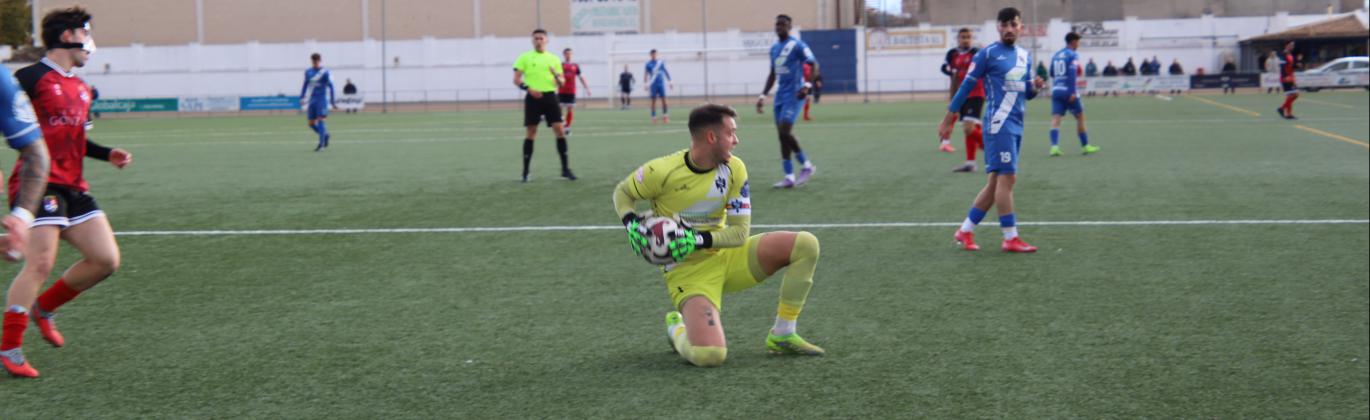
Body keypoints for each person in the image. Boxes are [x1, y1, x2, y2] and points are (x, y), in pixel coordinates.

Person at [613, 104, 826, 367]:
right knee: (710, 355)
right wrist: (631, 223)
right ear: (712, 137)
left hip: (730, 256)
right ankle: (677, 329)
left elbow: (739, 233)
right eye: (731, 133)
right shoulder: (661, 171)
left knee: (806, 245)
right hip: (689, 272)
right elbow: (623, 193)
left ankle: (783, 333)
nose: (736, 140)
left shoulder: (735, 169)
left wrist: (697, 238)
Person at [3, 6, 133, 379]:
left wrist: (107, 153)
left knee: (106, 260)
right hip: (37, 183)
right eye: (86, 33)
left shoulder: (82, 87)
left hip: (75, 185)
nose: (90, 42)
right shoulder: (28, 77)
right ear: (66, 36)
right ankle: (10, 348)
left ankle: (44, 308)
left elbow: (77, 137)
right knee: (40, 262)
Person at [937, 7, 1043, 254]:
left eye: (1013, 25)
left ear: (1020, 27)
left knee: (996, 180)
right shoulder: (987, 55)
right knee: (1008, 178)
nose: (1008, 29)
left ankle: (964, 231)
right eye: (1004, 25)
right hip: (998, 124)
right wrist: (948, 118)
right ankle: (1010, 237)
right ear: (998, 27)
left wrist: (1035, 87)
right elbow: (965, 87)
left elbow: (1025, 92)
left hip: (1017, 123)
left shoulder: (1024, 56)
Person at [757, 14, 819, 188]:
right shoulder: (774, 48)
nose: (779, 27)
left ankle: (806, 166)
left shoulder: (797, 45)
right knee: (781, 136)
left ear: (789, 27)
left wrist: (807, 85)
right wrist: (762, 96)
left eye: (783, 24)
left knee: (785, 131)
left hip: (795, 94)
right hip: (779, 97)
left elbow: (813, 64)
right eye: (777, 24)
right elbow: (772, 74)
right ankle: (789, 176)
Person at [513, 29, 575, 182]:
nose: (538, 41)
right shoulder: (524, 57)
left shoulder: (553, 59)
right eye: (536, 38)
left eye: (541, 38)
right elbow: (516, 79)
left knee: (560, 130)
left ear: (546, 40)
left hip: (550, 97)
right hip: (532, 98)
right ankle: (525, 172)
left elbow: (562, 82)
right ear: (532, 40)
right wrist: (529, 89)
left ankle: (565, 170)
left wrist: (556, 75)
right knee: (531, 131)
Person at [939, 27, 986, 172]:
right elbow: (951, 75)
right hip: (961, 95)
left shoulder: (977, 53)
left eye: (968, 37)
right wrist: (953, 97)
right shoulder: (952, 54)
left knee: (968, 127)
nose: (966, 39)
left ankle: (994, 149)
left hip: (976, 93)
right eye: (963, 37)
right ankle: (971, 163)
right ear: (957, 39)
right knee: (969, 129)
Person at [1048, 32, 1098, 157]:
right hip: (1068, 90)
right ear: (1073, 42)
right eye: (1078, 41)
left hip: (1056, 90)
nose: (1079, 43)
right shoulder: (1072, 55)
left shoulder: (1057, 54)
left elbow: (1052, 72)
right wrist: (1072, 92)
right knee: (1080, 116)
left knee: (1056, 118)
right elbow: (1072, 74)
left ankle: (1054, 147)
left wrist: (1060, 79)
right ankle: (1085, 146)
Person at [300, 53, 336, 151]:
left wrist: (333, 101)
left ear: (320, 60)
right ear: (312, 61)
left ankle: (321, 145)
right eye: (313, 61)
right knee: (311, 123)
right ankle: (325, 135)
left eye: (317, 61)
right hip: (312, 100)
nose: (315, 62)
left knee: (320, 120)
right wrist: (302, 97)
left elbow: (331, 86)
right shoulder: (308, 72)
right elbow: (305, 84)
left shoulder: (325, 72)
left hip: (321, 100)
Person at [558, 48, 590, 135]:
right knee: (559, 109)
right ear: (564, 54)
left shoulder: (575, 66)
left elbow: (581, 77)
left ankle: (567, 128)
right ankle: (564, 123)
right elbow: (556, 77)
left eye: (570, 53)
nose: (568, 55)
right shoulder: (560, 65)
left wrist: (586, 88)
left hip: (571, 91)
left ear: (572, 55)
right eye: (567, 53)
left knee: (570, 109)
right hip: (561, 90)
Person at [644, 49, 673, 123]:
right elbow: (646, 74)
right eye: (653, 54)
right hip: (653, 84)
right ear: (650, 55)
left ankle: (665, 116)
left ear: (656, 54)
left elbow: (666, 71)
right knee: (653, 102)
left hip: (661, 84)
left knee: (664, 101)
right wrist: (645, 84)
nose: (654, 55)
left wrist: (670, 82)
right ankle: (654, 117)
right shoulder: (648, 64)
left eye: (655, 54)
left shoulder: (660, 62)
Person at [1275, 41, 1299, 120]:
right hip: (1286, 78)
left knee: (1291, 96)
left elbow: (1291, 66)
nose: (1292, 46)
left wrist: (1297, 65)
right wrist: (1286, 76)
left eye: (1293, 45)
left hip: (1291, 77)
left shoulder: (1290, 55)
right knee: (1294, 94)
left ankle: (1288, 114)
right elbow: (1282, 67)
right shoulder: (1283, 55)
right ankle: (1282, 109)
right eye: (1291, 45)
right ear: (1286, 45)